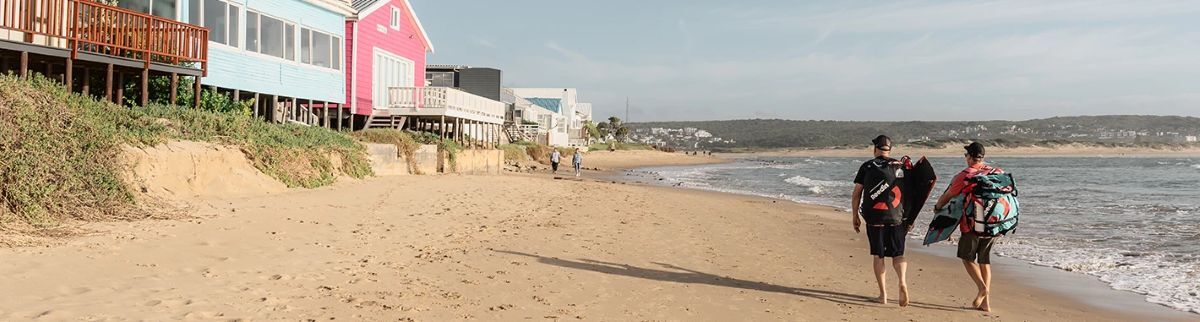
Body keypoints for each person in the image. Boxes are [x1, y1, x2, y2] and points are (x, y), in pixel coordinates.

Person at [933, 142, 1002, 312]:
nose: (966, 158)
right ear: (983, 157)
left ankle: (982, 288)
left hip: (971, 225)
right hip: (994, 224)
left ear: (970, 157)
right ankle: (986, 303)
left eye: (966, 155)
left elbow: (947, 196)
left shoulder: (964, 175)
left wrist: (937, 208)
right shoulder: (996, 172)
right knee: (984, 261)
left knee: (966, 257)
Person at [851, 135, 911, 306]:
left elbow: (857, 194)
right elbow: (912, 193)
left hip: (875, 218)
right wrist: (909, 218)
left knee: (879, 256)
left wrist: (855, 215)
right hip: (896, 218)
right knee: (898, 254)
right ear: (889, 149)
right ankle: (902, 282)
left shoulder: (867, 166)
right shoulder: (899, 166)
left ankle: (883, 295)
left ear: (875, 149)